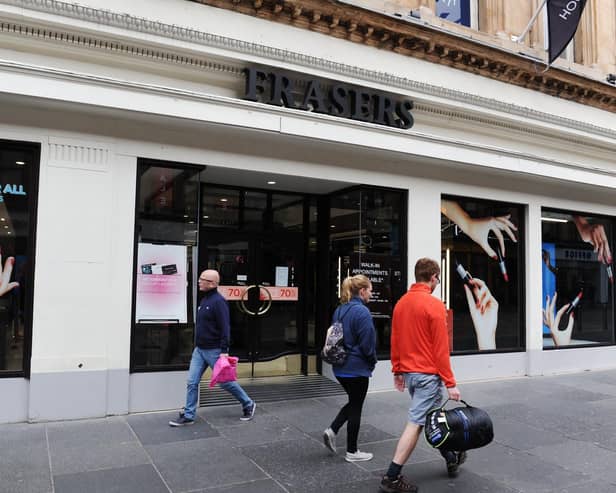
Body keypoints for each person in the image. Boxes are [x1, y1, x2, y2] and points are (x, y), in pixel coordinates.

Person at [380, 258, 463, 493]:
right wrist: (451, 383)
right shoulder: (434, 305)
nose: (437, 281)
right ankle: (392, 477)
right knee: (416, 423)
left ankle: (450, 456)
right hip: (427, 376)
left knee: (430, 419)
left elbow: (395, 339)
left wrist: (397, 370)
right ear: (434, 277)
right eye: (438, 278)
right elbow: (440, 350)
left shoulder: (401, 304)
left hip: (411, 375)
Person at [169, 269, 256, 426]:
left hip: (214, 350)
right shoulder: (205, 299)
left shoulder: (218, 301)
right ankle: (189, 415)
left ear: (213, 283)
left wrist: (224, 351)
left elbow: (225, 328)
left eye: (203, 279)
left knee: (225, 382)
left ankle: (248, 403)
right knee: (192, 382)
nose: (199, 281)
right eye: (200, 278)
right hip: (199, 350)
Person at [323, 274, 377, 462]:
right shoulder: (362, 312)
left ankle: (332, 430)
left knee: (354, 401)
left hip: (340, 368)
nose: (371, 293)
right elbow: (367, 344)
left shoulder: (340, 310)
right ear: (362, 291)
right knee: (356, 407)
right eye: (370, 289)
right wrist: (372, 361)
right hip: (357, 368)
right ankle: (352, 451)